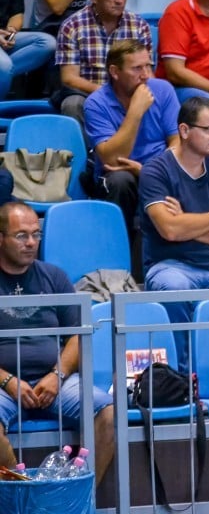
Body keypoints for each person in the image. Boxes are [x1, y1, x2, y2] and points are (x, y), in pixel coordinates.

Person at [0, 202, 115, 487]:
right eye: (21, 235)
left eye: (36, 235)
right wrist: (7, 381)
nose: (31, 243)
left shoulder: (54, 277)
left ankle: (81, 501)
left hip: (56, 381)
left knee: (109, 414)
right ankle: (26, 497)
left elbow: (77, 334)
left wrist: (57, 375)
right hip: (3, 384)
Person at [140, 97, 209, 368]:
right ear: (184, 130)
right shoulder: (155, 171)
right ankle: (180, 375)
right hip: (171, 265)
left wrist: (185, 225)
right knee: (173, 287)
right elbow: (168, 229)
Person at [84, 40, 180, 235]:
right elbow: (111, 159)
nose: (145, 75)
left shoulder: (163, 89)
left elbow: (177, 141)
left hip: (158, 168)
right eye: (137, 68)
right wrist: (135, 111)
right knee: (120, 180)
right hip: (119, 175)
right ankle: (117, 252)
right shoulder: (96, 103)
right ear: (114, 71)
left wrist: (148, 170)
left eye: (148, 65)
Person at [56, 0, 152, 125]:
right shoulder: (72, 26)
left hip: (130, 91)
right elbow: (69, 78)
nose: (120, 0)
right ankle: (87, 150)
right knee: (72, 104)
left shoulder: (139, 25)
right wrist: (107, 94)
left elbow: (147, 72)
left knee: (156, 97)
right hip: (89, 93)